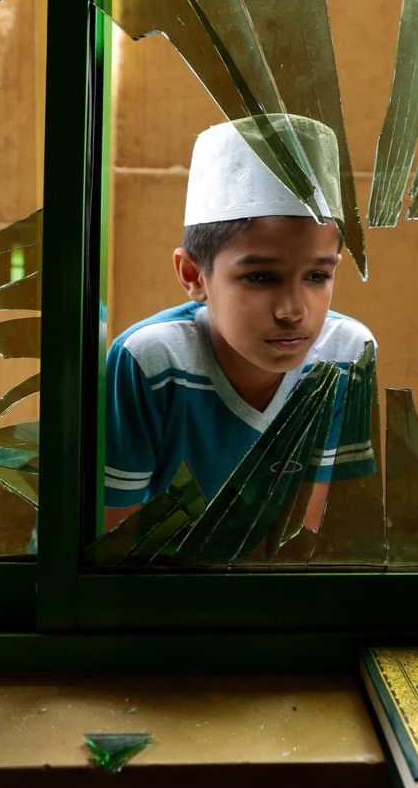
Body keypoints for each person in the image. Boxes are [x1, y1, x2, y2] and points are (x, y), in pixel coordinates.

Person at [104, 114, 376, 533]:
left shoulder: (347, 355)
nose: (293, 310)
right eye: (261, 277)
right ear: (194, 276)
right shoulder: (150, 361)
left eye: (318, 276)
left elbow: (313, 537)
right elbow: (113, 541)